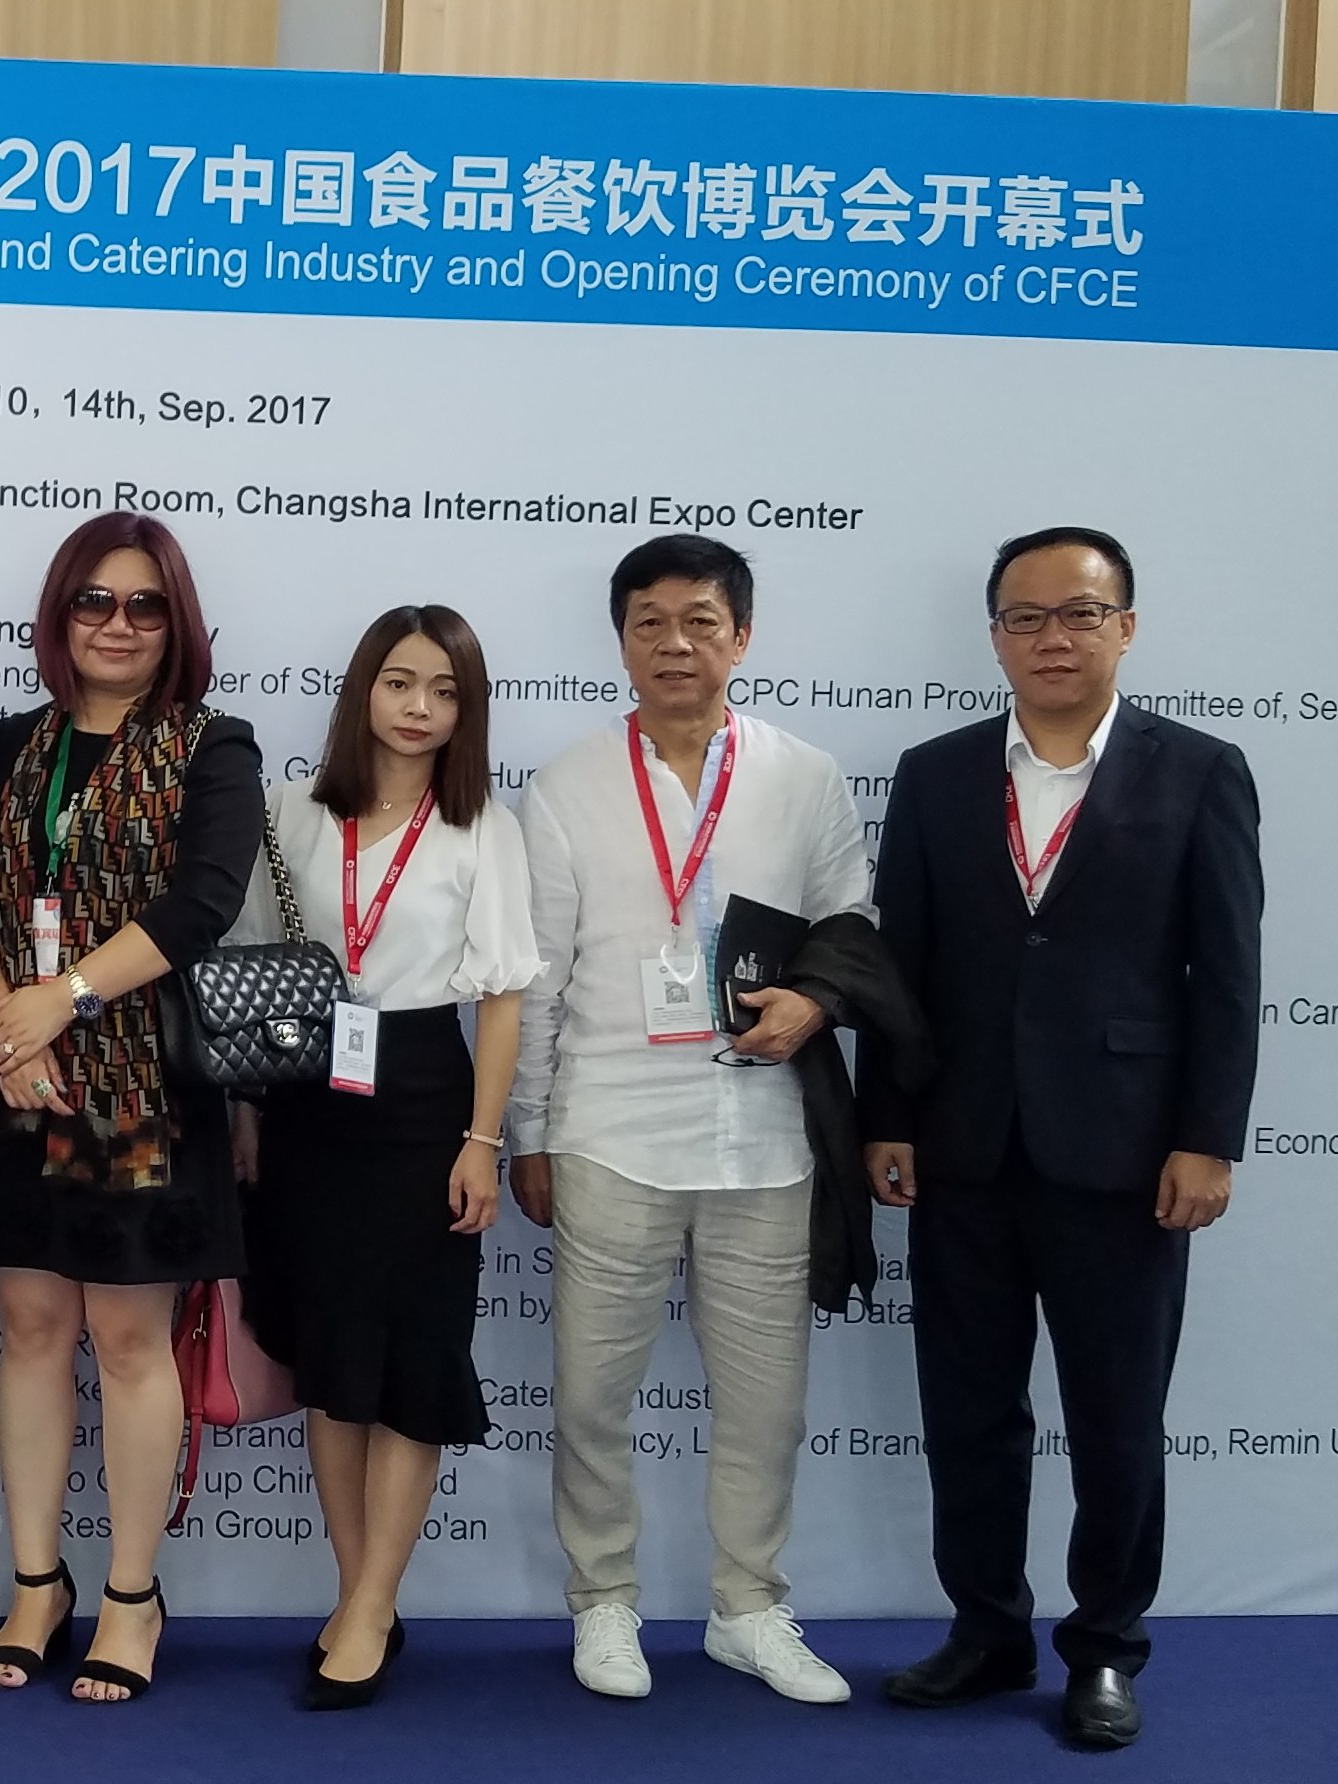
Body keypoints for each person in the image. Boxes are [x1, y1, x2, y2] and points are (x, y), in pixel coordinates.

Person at [862, 528, 1260, 1750]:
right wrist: (888, 1115)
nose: (1053, 637)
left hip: (1126, 1156)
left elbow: (1225, 974)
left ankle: (1105, 1647)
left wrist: (1208, 1136)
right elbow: (899, 965)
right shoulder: (934, 773)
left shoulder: (1200, 770)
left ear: (1125, 627)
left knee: (1116, 1415)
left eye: (1080, 613)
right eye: (1026, 616)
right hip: (964, 1147)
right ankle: (987, 1631)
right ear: (994, 636)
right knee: (969, 1413)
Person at [505, 533, 867, 1707]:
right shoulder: (565, 785)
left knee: (768, 1404)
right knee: (590, 1396)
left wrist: (816, 1002)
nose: (676, 642)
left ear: (741, 636)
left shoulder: (805, 775)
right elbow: (538, 980)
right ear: (620, 641)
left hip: (765, 1138)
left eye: (701, 620)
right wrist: (529, 1132)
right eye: (649, 622)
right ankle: (603, 1599)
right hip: (609, 1132)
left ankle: (748, 1605)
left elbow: (849, 928)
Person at [0, 511, 263, 1705]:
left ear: (178, 622)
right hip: (18, 1080)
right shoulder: (11, 743)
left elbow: (202, 903)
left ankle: (130, 1593)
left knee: (127, 1338)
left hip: (139, 1087)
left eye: (145, 604)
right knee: (29, 1328)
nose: (118, 624)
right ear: (60, 614)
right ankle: (37, 1583)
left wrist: (57, 1001)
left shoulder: (212, 745)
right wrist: (2, 1029)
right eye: (95, 601)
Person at [223, 605, 536, 1711]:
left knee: (410, 1363)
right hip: (306, 1101)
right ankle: (360, 1593)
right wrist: (248, 1113)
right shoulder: (291, 813)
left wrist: (482, 1142)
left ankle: (368, 1604)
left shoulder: (483, 824)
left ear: (467, 710)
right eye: (400, 682)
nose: (418, 708)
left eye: (445, 691)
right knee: (333, 1359)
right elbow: (255, 969)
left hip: (424, 1102)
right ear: (363, 688)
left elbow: (502, 1000)